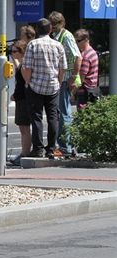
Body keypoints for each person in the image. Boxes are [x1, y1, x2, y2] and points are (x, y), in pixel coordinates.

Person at [22, 18, 67, 159]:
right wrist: (59, 82)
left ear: (36, 29)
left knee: (36, 118)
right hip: (53, 85)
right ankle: (51, 148)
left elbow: (27, 67)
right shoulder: (58, 45)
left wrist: (28, 82)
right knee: (53, 117)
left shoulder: (33, 45)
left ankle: (38, 148)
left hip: (36, 85)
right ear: (50, 29)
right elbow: (63, 68)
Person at [48, 11, 81, 156]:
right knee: (61, 111)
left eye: (54, 24)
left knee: (65, 112)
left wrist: (73, 77)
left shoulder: (66, 36)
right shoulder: (56, 36)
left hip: (67, 78)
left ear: (61, 23)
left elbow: (77, 57)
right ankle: (64, 144)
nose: (52, 27)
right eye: (50, 25)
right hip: (61, 77)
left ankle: (65, 146)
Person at [9, 40, 31, 166]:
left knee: (24, 127)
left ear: (22, 52)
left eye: (14, 51)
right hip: (21, 98)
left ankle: (25, 153)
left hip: (23, 98)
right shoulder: (22, 64)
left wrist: (15, 96)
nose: (12, 54)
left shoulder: (24, 66)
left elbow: (23, 84)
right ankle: (25, 151)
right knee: (23, 126)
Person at [72, 28, 100, 107]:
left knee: (82, 117)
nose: (77, 44)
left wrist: (73, 93)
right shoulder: (93, 52)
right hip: (93, 90)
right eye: (75, 41)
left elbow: (81, 78)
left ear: (86, 40)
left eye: (78, 41)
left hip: (84, 92)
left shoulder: (85, 56)